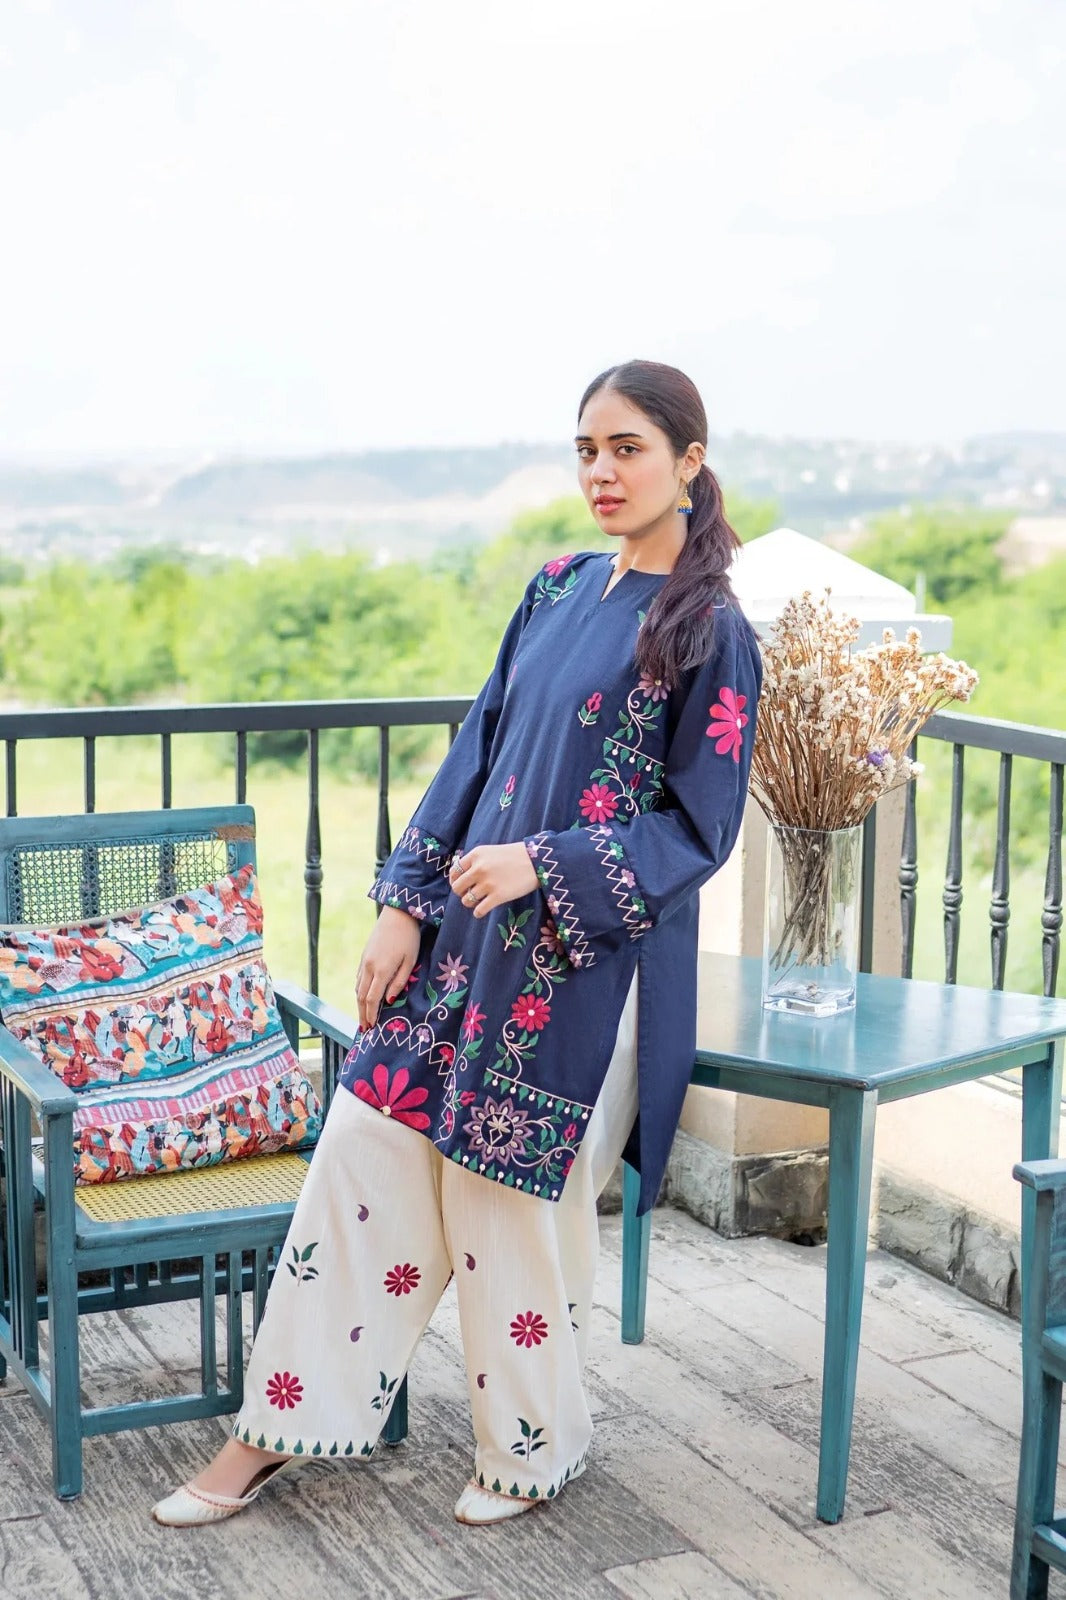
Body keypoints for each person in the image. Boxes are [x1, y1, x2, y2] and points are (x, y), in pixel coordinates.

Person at [151, 359, 762, 1529]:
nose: (600, 471)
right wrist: (403, 901)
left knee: (501, 1196)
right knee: (360, 1150)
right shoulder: (554, 588)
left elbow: (700, 827)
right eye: (586, 449)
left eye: (627, 448)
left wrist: (546, 862)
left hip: (585, 976)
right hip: (462, 955)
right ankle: (275, 1426)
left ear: (688, 460)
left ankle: (531, 1446)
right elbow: (475, 750)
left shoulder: (710, 630)